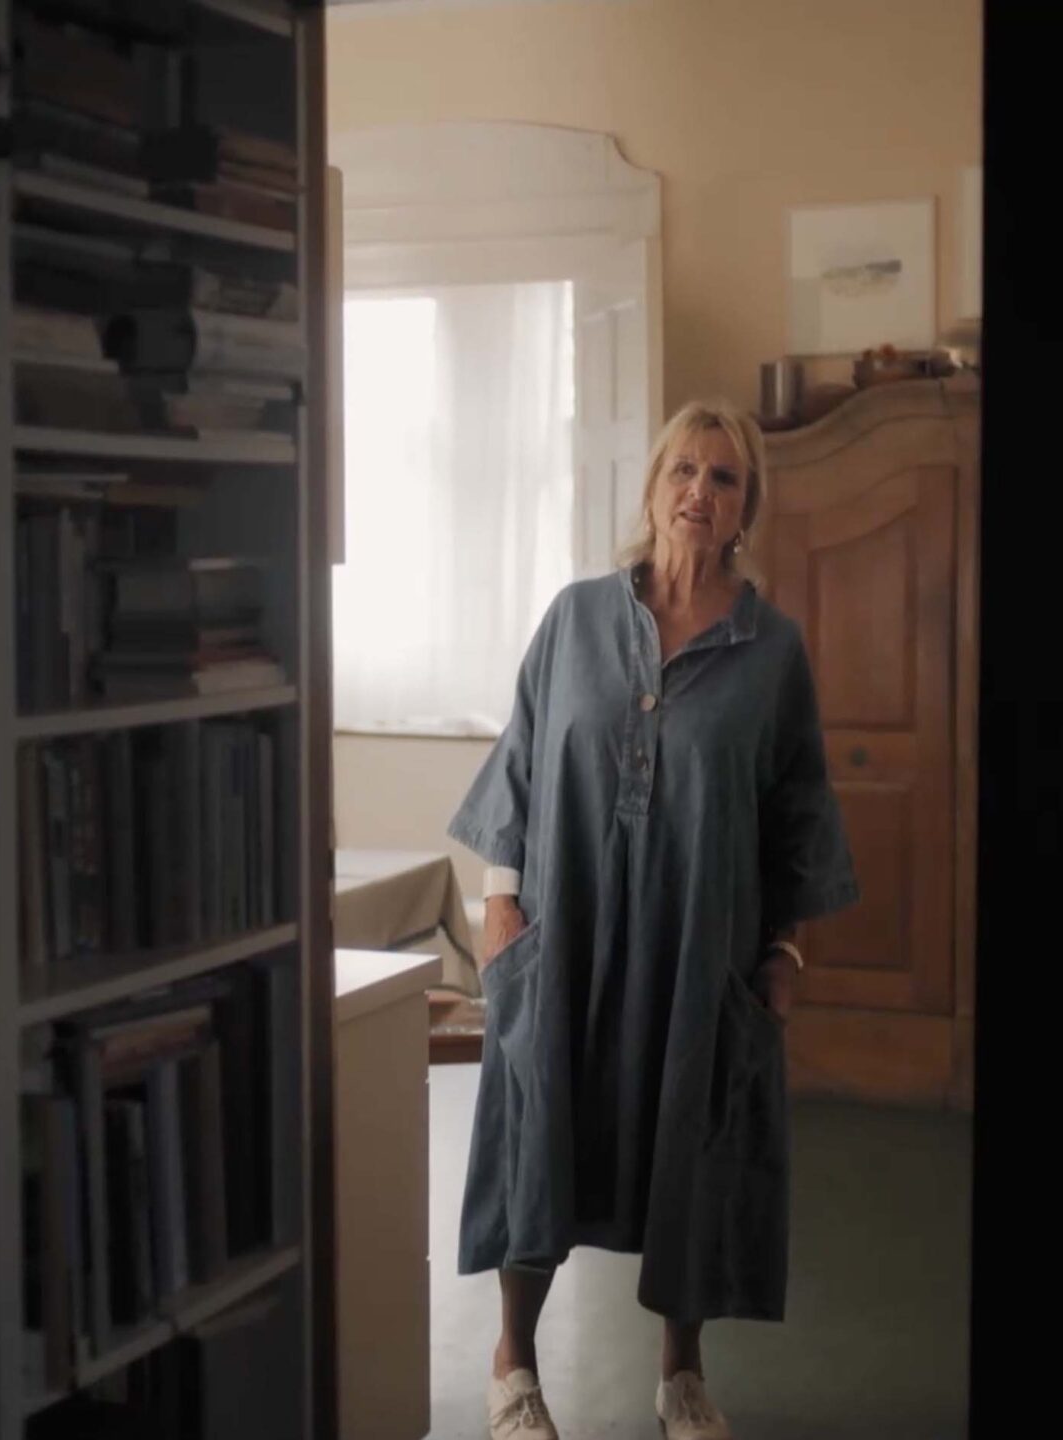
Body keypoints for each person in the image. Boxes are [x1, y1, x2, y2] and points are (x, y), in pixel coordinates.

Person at [447, 397, 859, 1440]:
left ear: (745, 506)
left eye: (724, 478)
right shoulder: (575, 618)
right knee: (541, 1134)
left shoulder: (772, 651)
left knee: (694, 1146)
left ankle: (681, 1375)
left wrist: (785, 949)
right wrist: (499, 902)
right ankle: (513, 1363)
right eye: (684, 469)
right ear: (652, 486)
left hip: (699, 945)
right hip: (565, 933)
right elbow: (522, 759)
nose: (698, 492)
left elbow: (798, 809)